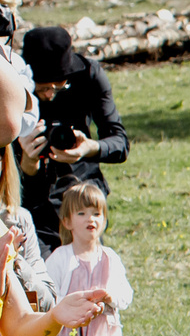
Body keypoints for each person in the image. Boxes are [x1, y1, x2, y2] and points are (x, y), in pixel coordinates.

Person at [19, 27, 128, 258]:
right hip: (35, 199)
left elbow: (120, 143)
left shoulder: (88, 74)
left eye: (59, 87)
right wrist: (28, 163)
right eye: (42, 89)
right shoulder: (12, 87)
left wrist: (90, 148)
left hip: (83, 191)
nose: (50, 95)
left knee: (87, 273)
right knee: (46, 278)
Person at [43, 181, 129, 336]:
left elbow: (125, 295)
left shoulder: (109, 258)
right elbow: (48, 296)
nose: (90, 219)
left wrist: (110, 296)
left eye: (96, 213)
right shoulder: (61, 258)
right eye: (82, 213)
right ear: (68, 221)